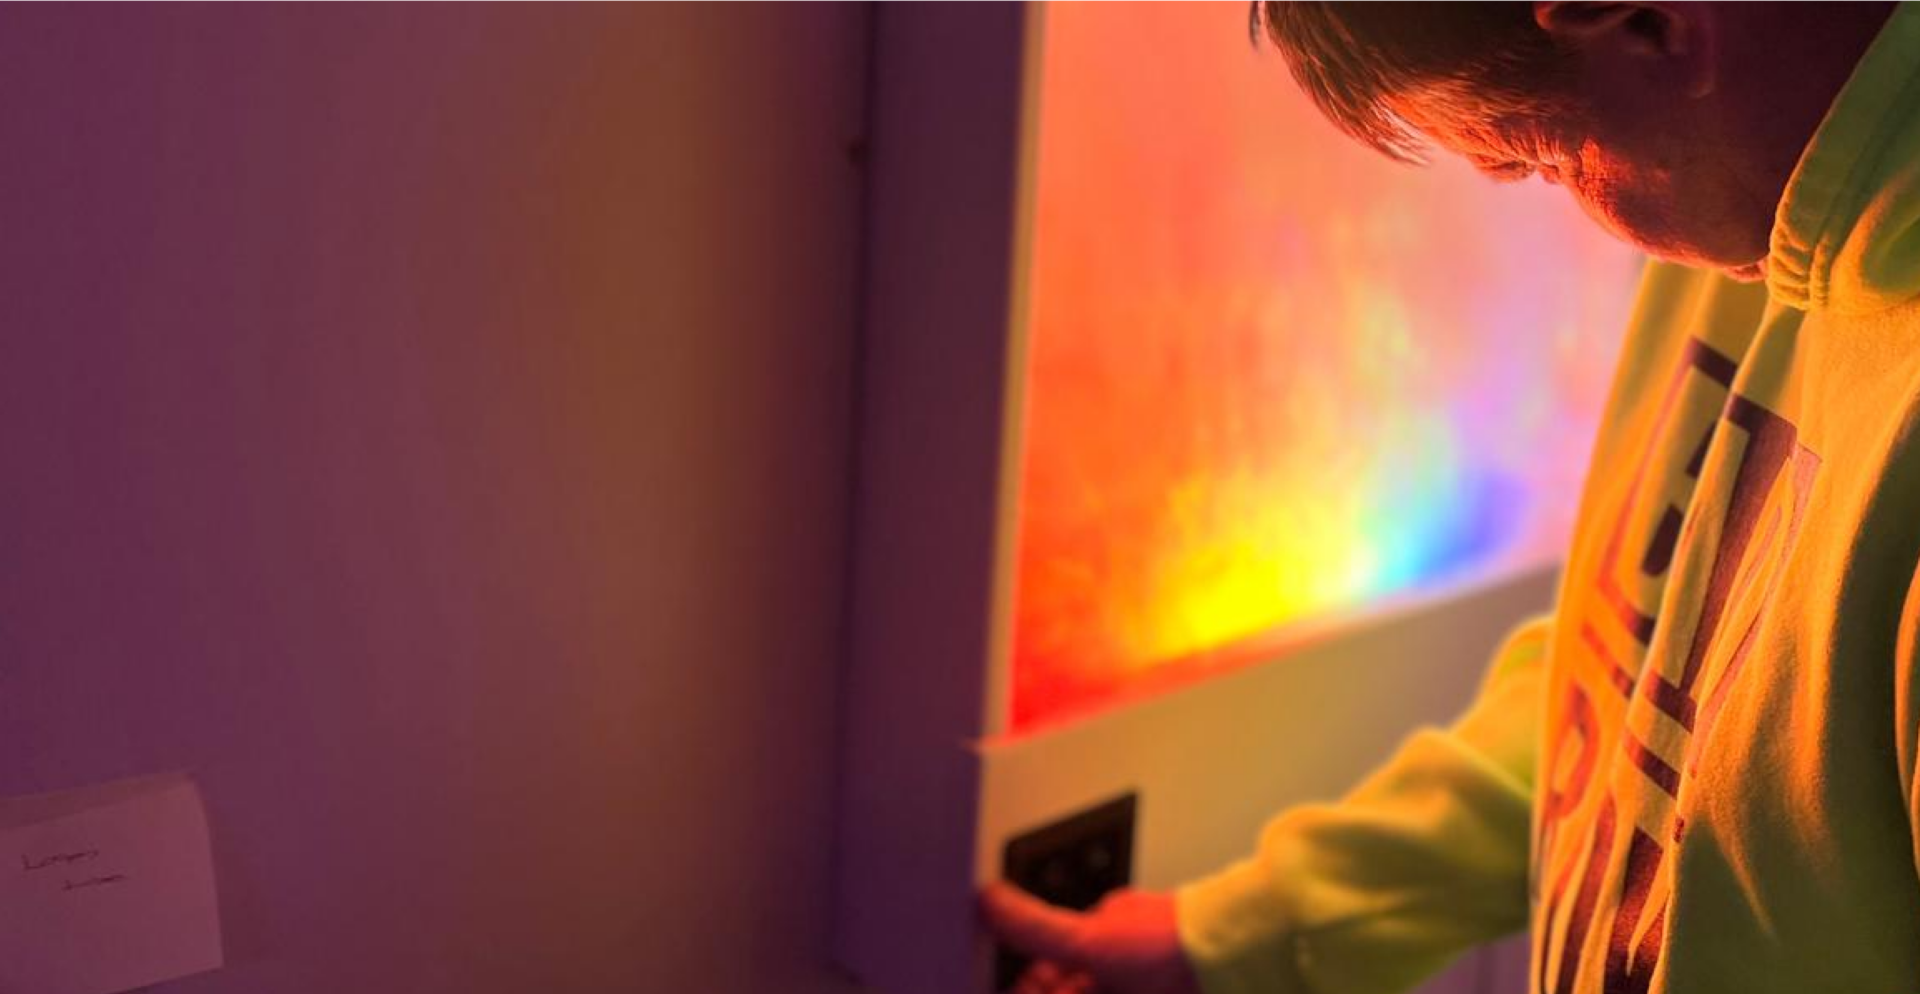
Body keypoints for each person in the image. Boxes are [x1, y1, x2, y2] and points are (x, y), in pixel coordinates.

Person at [981, 0, 1920, 991]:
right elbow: (1642, 690)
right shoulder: (1772, 195)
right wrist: (1247, 931)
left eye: (1544, 155)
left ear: (1650, 22)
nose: (1583, 208)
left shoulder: (1758, 200)